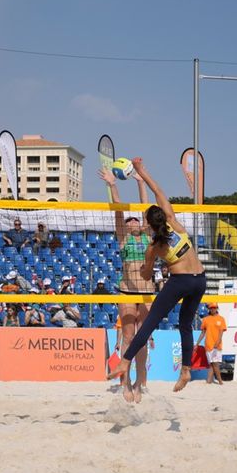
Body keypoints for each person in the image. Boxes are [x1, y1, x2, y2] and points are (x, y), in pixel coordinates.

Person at [106, 157, 206, 398]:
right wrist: (143, 171)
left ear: (146, 225)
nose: (134, 221)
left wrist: (146, 270)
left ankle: (126, 364)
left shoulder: (153, 247)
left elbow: (147, 272)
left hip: (176, 282)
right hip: (200, 279)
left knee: (149, 325)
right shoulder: (175, 223)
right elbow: (158, 191)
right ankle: (185, 370)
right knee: (184, 325)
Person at [98, 166, 153, 402]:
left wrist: (141, 182)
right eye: (129, 220)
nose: (132, 221)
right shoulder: (124, 238)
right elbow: (119, 211)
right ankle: (127, 381)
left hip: (147, 292)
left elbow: (146, 209)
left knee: (142, 339)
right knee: (129, 337)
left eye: (135, 219)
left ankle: (140, 380)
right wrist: (113, 185)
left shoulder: (149, 236)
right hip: (127, 290)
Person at [196, 303, 227, 385]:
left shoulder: (221, 319)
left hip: (217, 345)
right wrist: (197, 343)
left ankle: (216, 381)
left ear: (217, 308)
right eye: (211, 308)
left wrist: (217, 343)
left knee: (215, 363)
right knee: (212, 364)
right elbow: (203, 333)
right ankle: (213, 381)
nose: (212, 309)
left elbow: (221, 333)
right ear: (209, 309)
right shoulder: (206, 319)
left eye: (214, 308)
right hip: (208, 344)